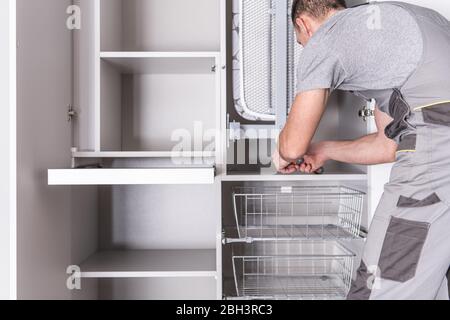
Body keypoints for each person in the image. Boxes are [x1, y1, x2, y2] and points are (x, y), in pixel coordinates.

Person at [273, 0, 450, 300]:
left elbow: (291, 147)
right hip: (440, 147)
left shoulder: (325, 39)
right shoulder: (401, 20)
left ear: (303, 24)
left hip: (437, 151)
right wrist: (323, 150)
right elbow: (387, 145)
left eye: (301, 43)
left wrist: (281, 150)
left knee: (380, 284)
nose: (306, 48)